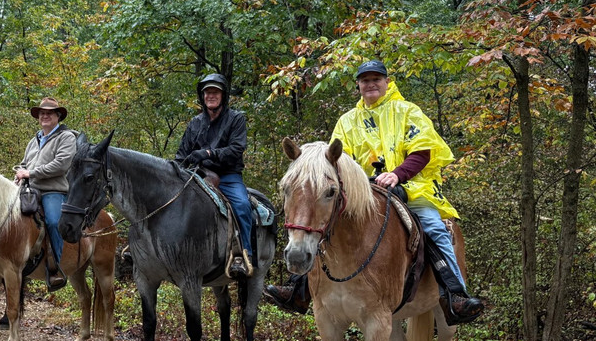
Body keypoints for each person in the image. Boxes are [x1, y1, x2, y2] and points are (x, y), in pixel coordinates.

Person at [265, 59, 484, 324]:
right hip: (361, 190)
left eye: (376, 79)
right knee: (323, 220)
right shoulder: (347, 121)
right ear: (358, 85)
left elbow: (423, 151)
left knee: (433, 227)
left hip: (410, 186)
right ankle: (298, 287)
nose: (371, 84)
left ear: (387, 82)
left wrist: (397, 174)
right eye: (365, 80)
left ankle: (454, 295)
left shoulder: (407, 111)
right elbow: (333, 161)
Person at [175, 73, 254, 278]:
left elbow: (237, 149)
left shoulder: (236, 119)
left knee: (243, 206)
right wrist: (173, 169)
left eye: (215, 92)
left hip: (228, 175)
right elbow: (181, 155)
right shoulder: (195, 123)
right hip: (197, 175)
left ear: (223, 95)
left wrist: (209, 153)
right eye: (207, 92)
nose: (211, 95)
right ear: (202, 96)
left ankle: (243, 254)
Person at [14, 97, 77, 291]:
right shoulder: (34, 140)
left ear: (58, 116)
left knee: (51, 221)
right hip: (29, 188)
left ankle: (55, 268)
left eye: (49, 113)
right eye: (42, 113)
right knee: (6, 213)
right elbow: (24, 164)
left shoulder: (67, 137)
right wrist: (19, 172)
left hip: (53, 190)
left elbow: (61, 164)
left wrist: (31, 173)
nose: (45, 116)